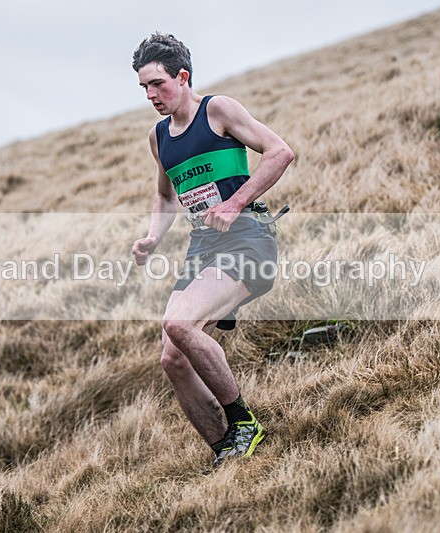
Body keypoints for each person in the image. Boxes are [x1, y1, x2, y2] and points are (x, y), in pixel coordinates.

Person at [130, 33, 294, 467]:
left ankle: (244, 423)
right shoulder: (159, 137)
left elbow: (280, 152)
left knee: (178, 323)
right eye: (144, 87)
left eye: (158, 84)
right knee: (172, 357)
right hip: (202, 247)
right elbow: (166, 199)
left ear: (182, 77)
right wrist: (152, 237)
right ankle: (227, 449)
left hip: (246, 238)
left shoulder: (217, 110)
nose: (151, 95)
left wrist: (236, 201)